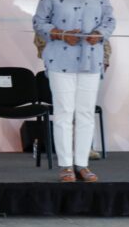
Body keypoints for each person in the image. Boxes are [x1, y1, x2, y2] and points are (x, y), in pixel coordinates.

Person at [33, 0, 115, 183]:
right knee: (63, 113)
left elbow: (110, 19)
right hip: (61, 59)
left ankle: (82, 164)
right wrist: (60, 33)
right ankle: (66, 166)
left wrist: (100, 33)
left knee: (86, 113)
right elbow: (39, 22)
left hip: (91, 59)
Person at [34, 33, 111, 161]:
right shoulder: (54, 15)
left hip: (90, 64)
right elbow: (42, 37)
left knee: (84, 109)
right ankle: (66, 150)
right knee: (65, 108)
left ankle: (83, 148)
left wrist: (105, 59)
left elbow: (103, 39)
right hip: (61, 65)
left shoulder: (93, 15)